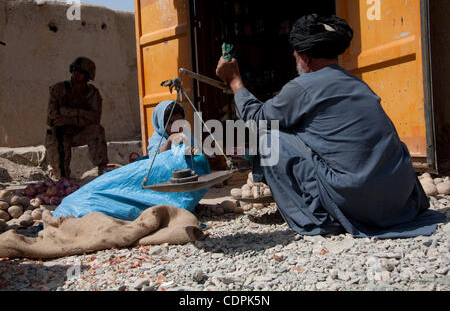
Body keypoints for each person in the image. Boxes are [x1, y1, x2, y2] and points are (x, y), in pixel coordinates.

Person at [215, 14, 445, 238]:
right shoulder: (359, 84)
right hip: (399, 201)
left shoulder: (302, 87)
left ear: (304, 58)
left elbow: (256, 119)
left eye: (295, 56)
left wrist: (235, 81)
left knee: (268, 139)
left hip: (362, 204)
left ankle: (317, 219)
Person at [53, 100, 210, 221]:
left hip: (178, 184)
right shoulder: (158, 139)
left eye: (180, 122)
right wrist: (169, 141)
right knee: (110, 189)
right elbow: (156, 163)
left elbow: (196, 158)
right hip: (149, 178)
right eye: (171, 123)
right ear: (161, 124)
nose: (177, 127)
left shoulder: (186, 136)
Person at [44, 57, 108, 180]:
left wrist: (67, 113)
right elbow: (53, 116)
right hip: (58, 135)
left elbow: (94, 118)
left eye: (81, 72)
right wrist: (82, 115)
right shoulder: (58, 89)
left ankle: (101, 169)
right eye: (74, 70)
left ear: (88, 76)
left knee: (97, 130)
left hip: (79, 132)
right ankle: (57, 174)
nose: (76, 74)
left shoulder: (92, 93)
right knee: (62, 177)